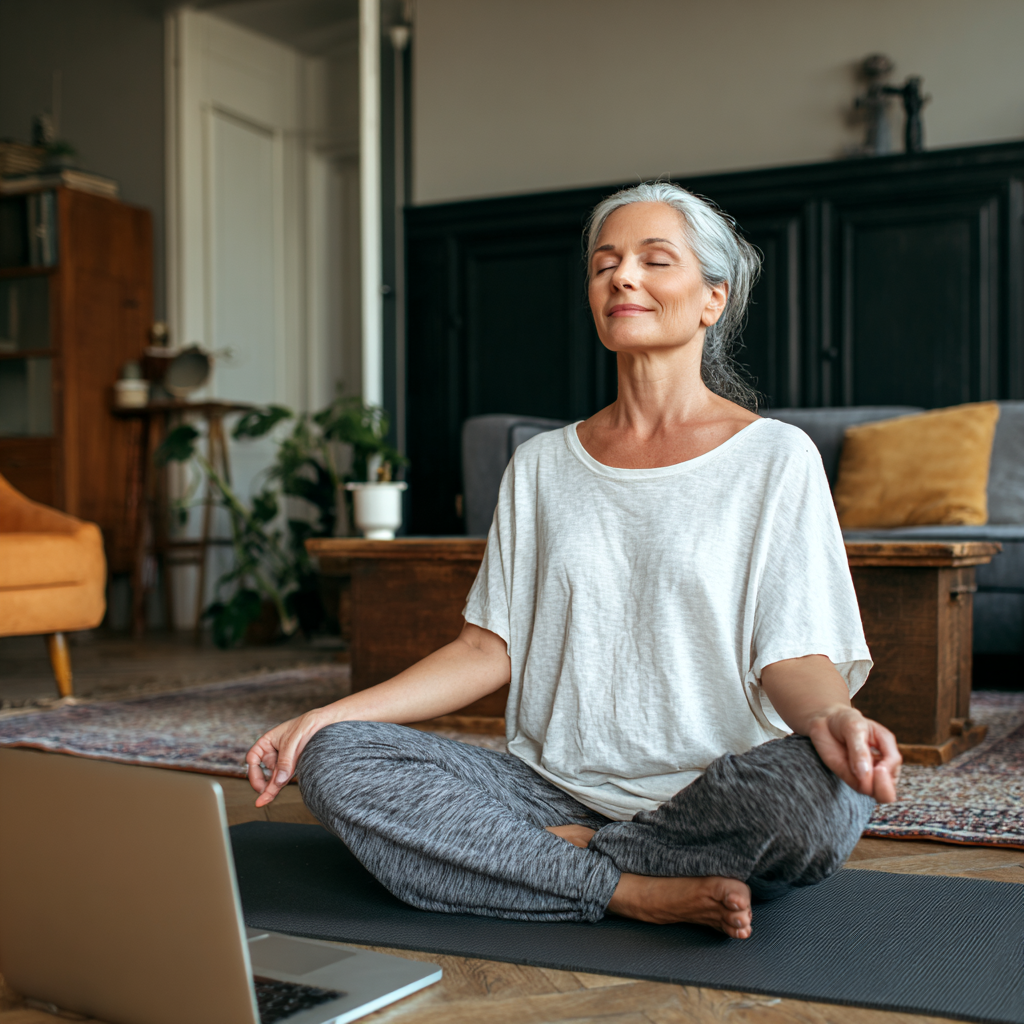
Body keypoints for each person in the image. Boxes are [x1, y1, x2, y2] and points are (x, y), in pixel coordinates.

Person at [246, 181, 902, 941]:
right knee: (338, 760)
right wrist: (327, 715)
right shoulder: (541, 464)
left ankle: (559, 864)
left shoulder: (775, 459)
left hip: (713, 794)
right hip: (545, 791)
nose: (622, 277)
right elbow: (486, 650)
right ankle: (631, 888)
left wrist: (834, 719)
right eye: (605, 265)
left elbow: (793, 655)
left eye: (655, 261)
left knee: (826, 796)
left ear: (712, 299)